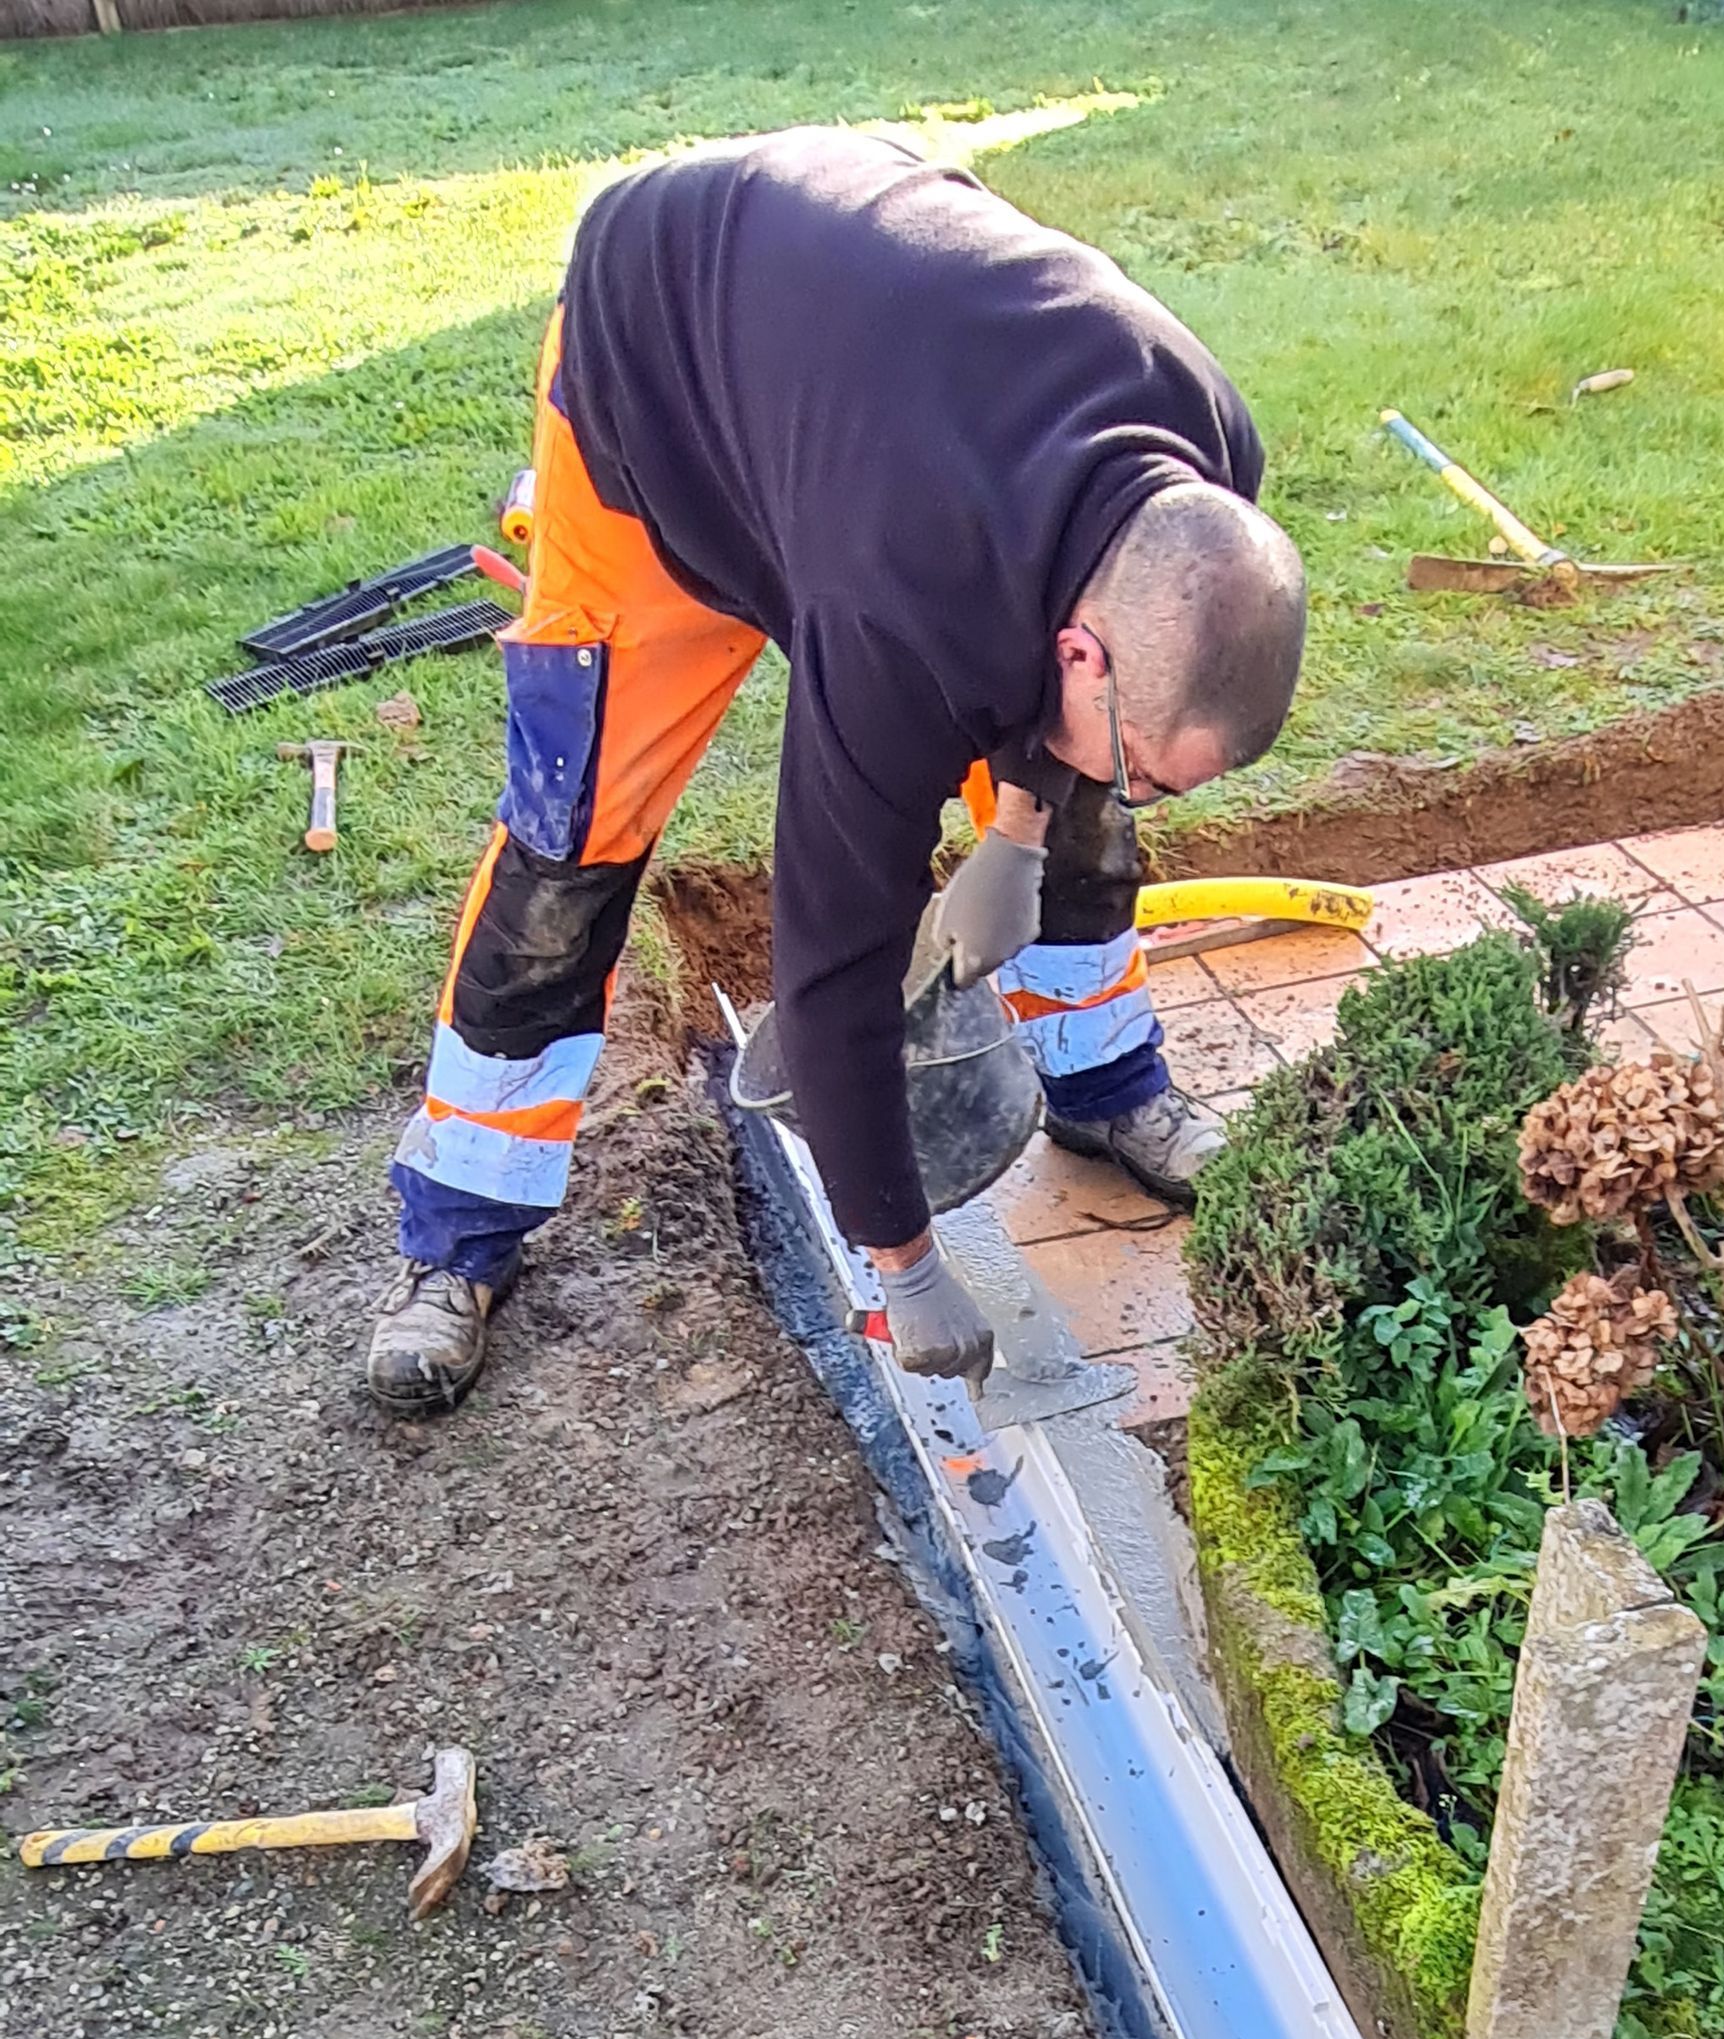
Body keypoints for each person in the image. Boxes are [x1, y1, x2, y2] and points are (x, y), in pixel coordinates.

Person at [367, 127, 1306, 1416]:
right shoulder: (895, 615)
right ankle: (459, 1236)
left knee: (1083, 805)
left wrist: (1029, 829)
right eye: (1151, 770)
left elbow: (1087, 709)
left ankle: (1106, 1085)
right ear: (1080, 650)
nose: (1143, 794)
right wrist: (905, 1260)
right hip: (660, 388)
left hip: (854, 359)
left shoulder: (1206, 477)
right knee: (573, 842)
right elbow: (831, 957)